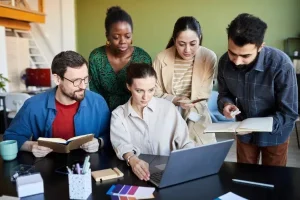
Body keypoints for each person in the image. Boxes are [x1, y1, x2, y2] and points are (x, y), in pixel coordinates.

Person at [217, 13, 298, 166]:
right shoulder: (224, 62)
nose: (237, 61)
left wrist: (258, 125)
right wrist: (226, 105)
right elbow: (224, 94)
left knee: (273, 179)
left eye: (245, 56)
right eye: (232, 53)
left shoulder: (281, 65)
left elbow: (289, 112)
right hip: (244, 134)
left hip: (276, 134)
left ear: (261, 46)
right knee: (245, 176)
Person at [4, 51, 111, 157]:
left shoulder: (98, 102)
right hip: (47, 167)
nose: (83, 86)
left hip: (88, 167)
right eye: (76, 81)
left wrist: (99, 142)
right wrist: (31, 146)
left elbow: (111, 135)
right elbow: (11, 137)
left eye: (86, 79)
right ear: (57, 79)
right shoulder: (33, 105)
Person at [110, 63, 195, 181]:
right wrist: (133, 160)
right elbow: (123, 146)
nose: (146, 97)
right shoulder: (118, 115)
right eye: (139, 90)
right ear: (129, 86)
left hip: (169, 174)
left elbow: (185, 142)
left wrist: (189, 159)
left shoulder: (168, 108)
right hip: (137, 175)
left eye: (151, 90)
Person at [153, 16, 217, 145]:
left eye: (193, 44)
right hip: (168, 114)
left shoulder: (209, 57)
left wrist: (188, 107)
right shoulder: (161, 58)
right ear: (174, 40)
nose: (187, 50)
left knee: (201, 155)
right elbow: (154, 93)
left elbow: (203, 95)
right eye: (181, 44)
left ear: (200, 38)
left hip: (197, 114)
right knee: (170, 159)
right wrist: (176, 100)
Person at [89, 6, 152, 111]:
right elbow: (94, 92)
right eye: (116, 37)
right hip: (102, 112)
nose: (123, 41)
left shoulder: (142, 58)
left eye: (127, 36)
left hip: (134, 113)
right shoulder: (96, 57)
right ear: (107, 36)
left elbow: (146, 93)